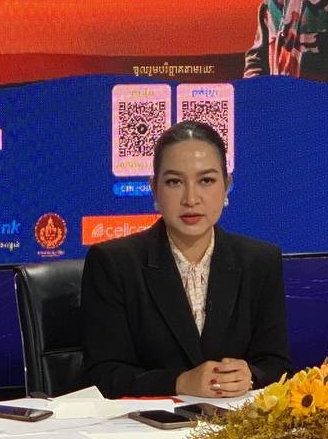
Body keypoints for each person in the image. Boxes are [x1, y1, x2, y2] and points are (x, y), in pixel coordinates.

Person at [81, 120, 291, 398]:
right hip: (148, 422)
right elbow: (103, 375)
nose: (191, 199)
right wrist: (179, 382)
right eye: (174, 182)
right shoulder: (113, 263)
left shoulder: (260, 261)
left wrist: (250, 375)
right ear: (154, 189)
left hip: (232, 421)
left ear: (227, 186)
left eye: (206, 180)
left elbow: (276, 364)